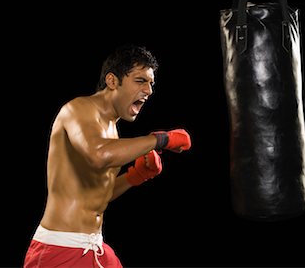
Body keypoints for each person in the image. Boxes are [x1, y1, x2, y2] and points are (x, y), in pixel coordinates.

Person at [23, 44, 191, 268]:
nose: (149, 90)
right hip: (59, 248)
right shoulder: (78, 109)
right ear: (112, 81)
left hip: (94, 246)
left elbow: (97, 193)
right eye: (140, 80)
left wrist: (136, 176)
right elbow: (99, 155)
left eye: (151, 83)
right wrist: (161, 139)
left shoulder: (111, 128)